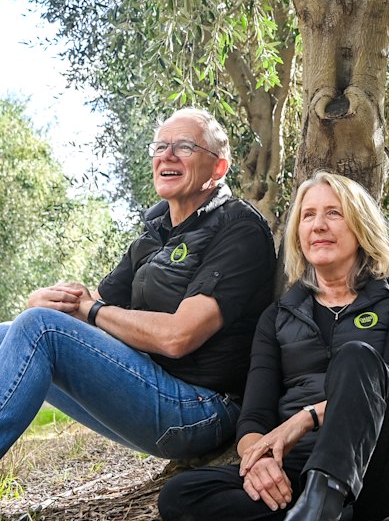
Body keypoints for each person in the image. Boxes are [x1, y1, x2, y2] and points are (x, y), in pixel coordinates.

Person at [158, 171, 389, 521]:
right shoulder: (277, 317)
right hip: (302, 470)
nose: (318, 225)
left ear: (361, 225)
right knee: (181, 499)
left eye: (334, 213)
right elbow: (255, 417)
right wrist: (257, 459)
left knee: (359, 357)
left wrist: (305, 418)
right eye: (308, 216)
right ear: (297, 233)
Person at [0, 107, 276, 462]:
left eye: (185, 147)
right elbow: (87, 310)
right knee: (10, 331)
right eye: (160, 147)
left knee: (40, 330)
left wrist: (87, 310)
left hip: (204, 409)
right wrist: (45, 301)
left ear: (219, 167)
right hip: (152, 389)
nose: (167, 155)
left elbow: (178, 336)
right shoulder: (153, 235)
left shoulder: (238, 226)